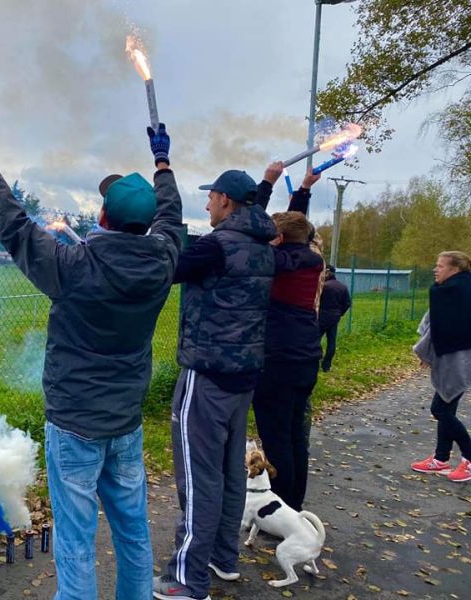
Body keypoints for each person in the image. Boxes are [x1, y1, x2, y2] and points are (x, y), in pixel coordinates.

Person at [0, 113, 182, 600]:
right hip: (125, 422)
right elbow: (170, 215)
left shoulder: (73, 266)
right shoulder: (165, 259)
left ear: (103, 218)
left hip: (75, 422)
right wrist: (163, 162)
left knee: (77, 539)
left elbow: (14, 226)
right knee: (132, 530)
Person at [154, 166, 277, 600]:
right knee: (228, 472)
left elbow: (165, 270)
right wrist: (267, 185)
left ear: (226, 200)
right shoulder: (264, 246)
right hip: (243, 376)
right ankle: (223, 557)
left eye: (211, 197)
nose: (206, 204)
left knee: (198, 477)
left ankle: (186, 580)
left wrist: (160, 234)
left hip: (206, 375)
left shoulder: (215, 246)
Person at [251, 166, 325, 513]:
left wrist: (266, 183)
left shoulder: (274, 262)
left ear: (278, 238)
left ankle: (282, 507)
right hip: (306, 357)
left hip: (277, 360)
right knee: (296, 434)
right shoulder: (311, 259)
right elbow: (298, 226)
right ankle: (295, 502)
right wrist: (304, 191)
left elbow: (251, 225)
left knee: (277, 436)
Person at [411, 251, 471, 483]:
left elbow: (439, 328)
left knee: (441, 410)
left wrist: (427, 352)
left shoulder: (452, 292)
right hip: (456, 357)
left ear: (454, 269)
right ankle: (441, 458)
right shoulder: (459, 288)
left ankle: (468, 455)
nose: (435, 270)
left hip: (458, 360)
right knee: (447, 407)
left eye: (440, 266)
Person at [319, 265, 351, 372]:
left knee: (315, 339)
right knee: (331, 341)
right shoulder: (342, 287)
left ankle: (316, 359)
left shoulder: (323, 286)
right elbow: (347, 303)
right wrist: (340, 313)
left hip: (321, 316)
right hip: (334, 317)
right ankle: (326, 365)